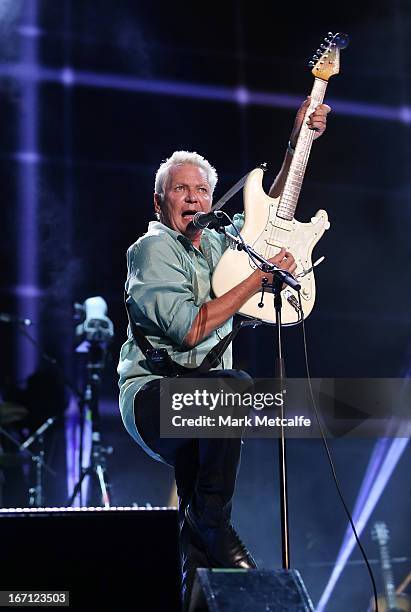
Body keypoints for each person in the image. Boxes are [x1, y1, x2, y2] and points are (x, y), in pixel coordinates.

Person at [117, 97, 330, 608]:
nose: (193, 197)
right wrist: (256, 277)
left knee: (196, 527)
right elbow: (190, 330)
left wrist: (297, 143)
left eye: (202, 190)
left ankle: (201, 574)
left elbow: (270, 220)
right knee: (234, 390)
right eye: (181, 189)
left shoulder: (218, 244)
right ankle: (216, 529)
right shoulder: (152, 250)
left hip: (205, 410)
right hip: (154, 400)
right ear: (159, 202)